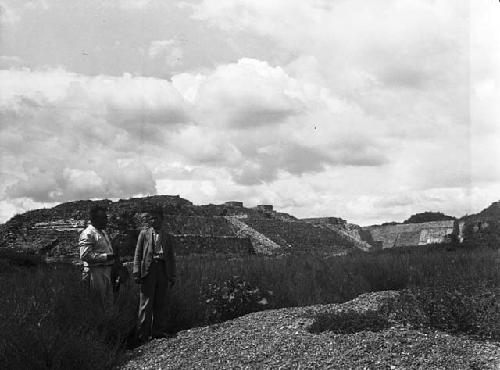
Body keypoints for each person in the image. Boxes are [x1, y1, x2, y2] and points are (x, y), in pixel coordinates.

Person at [133, 207, 176, 342]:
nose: (153, 220)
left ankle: (158, 331)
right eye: (151, 218)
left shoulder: (167, 236)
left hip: (162, 269)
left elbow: (171, 257)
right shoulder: (144, 234)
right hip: (148, 270)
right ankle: (142, 335)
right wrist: (136, 272)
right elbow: (138, 253)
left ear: (162, 219)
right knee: (146, 303)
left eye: (156, 218)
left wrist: (172, 275)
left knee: (161, 302)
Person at [79, 204, 116, 307]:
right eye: (103, 218)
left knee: (108, 304)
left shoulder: (103, 232)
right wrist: (105, 257)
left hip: (106, 271)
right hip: (95, 272)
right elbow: (85, 255)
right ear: (94, 219)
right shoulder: (88, 233)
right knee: (98, 304)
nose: (106, 220)